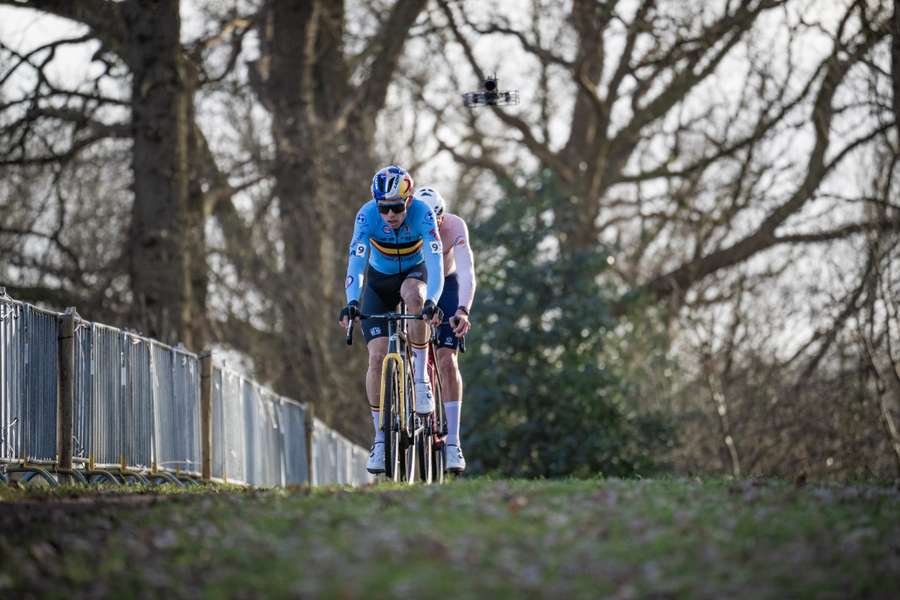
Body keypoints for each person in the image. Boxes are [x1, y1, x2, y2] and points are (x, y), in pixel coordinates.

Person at [339, 165, 444, 474]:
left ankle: (421, 378)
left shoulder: (423, 214)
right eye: (384, 208)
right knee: (376, 357)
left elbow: (436, 263)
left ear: (408, 201)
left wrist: (433, 301)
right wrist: (352, 303)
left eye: (396, 207)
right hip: (379, 282)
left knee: (414, 295)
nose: (389, 215)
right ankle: (381, 439)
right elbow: (356, 262)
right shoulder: (366, 215)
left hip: (414, 273)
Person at [416, 186, 475, 473]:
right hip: (416, 283)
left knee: (446, 358)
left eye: (437, 222)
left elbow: (466, 272)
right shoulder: (406, 220)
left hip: (447, 285)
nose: (433, 229)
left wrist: (462, 310)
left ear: (443, 216)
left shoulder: (455, 226)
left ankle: (453, 442)